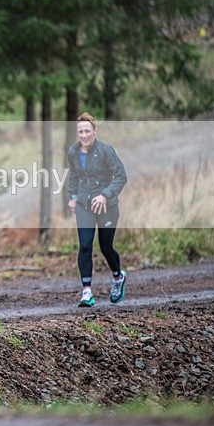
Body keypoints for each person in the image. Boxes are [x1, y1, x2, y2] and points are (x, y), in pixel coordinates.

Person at [67, 112, 128, 307]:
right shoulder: (73, 152)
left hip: (106, 206)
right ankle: (86, 292)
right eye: (80, 131)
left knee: (105, 247)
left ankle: (118, 277)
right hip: (85, 206)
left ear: (94, 131)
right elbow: (74, 176)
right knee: (85, 245)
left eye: (87, 131)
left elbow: (121, 176)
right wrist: (73, 197)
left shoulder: (105, 151)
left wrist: (105, 194)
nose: (83, 135)